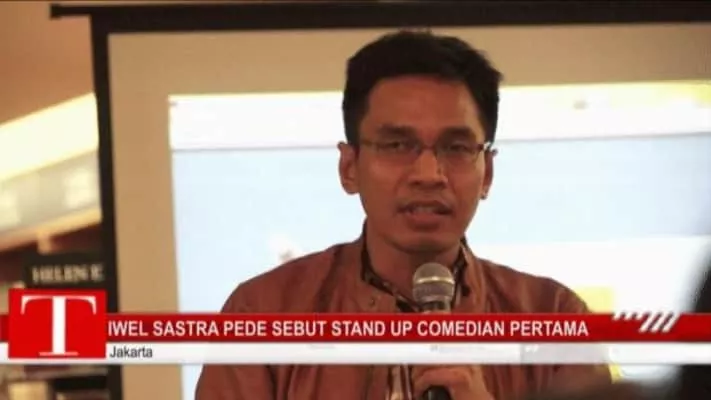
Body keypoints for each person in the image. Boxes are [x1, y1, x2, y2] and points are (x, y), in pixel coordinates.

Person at [195, 30, 611, 400]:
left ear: (487, 173)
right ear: (349, 167)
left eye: (456, 148)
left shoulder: (556, 318)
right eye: (397, 146)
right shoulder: (262, 314)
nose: (428, 174)